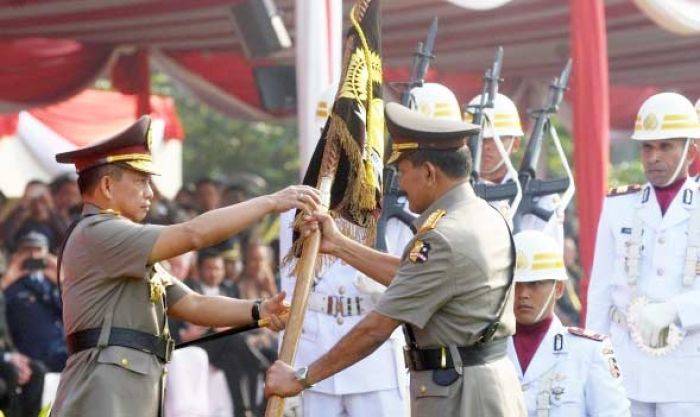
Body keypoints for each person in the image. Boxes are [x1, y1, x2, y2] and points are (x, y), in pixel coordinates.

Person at [265, 102, 525, 416]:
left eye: (402, 172)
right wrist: (339, 245)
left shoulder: (442, 236)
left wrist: (302, 378)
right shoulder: (481, 215)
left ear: (429, 172)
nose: (399, 183)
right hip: (479, 383)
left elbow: (377, 327)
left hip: (461, 394)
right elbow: (412, 276)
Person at [49, 115, 319, 417]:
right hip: (105, 392)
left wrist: (259, 311)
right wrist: (270, 202)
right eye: (141, 181)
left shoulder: (120, 242)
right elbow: (194, 234)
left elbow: (192, 303)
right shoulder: (101, 232)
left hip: (123, 388)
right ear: (108, 186)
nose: (150, 193)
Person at [587, 92, 700, 416]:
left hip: (688, 370)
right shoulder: (619, 205)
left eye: (666, 146)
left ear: (691, 150)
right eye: (647, 147)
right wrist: (593, 361)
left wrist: (677, 309)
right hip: (628, 365)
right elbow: (600, 293)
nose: (654, 156)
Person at [507, 230, 630, 416]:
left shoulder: (588, 351)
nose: (523, 293)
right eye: (516, 284)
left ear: (558, 289)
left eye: (534, 284)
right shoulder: (486, 348)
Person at [465, 93, 565, 244]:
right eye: (478, 138)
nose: (486, 146)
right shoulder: (453, 194)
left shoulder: (542, 201)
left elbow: (549, 257)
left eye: (497, 138)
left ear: (516, 144)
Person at [1, 232, 66, 372]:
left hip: (58, 351)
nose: (33, 256)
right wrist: (8, 279)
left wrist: (62, 282)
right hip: (27, 355)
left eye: (38, 250)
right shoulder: (9, 284)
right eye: (27, 250)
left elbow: (76, 313)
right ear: (18, 254)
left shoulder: (53, 283)